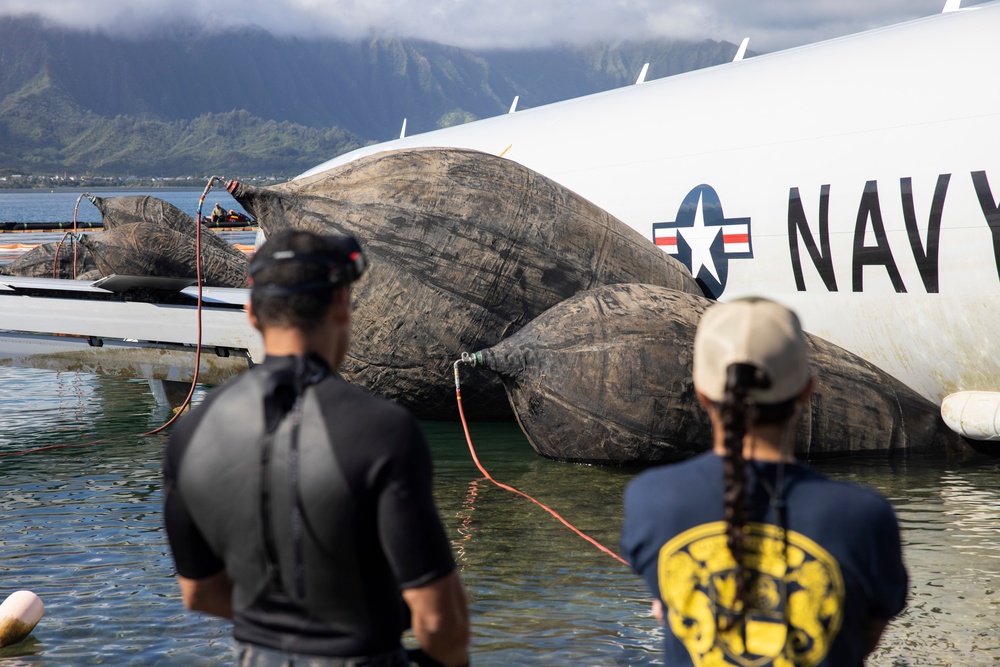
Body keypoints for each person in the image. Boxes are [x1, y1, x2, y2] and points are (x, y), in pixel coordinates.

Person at [163, 229, 470, 667]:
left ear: (252, 314)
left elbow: (198, 592)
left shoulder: (190, 433)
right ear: (342, 304)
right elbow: (441, 620)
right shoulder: (383, 429)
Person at [621, 298, 907, 666]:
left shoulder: (651, 499)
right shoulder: (866, 516)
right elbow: (862, 636)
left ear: (701, 392)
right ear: (807, 391)